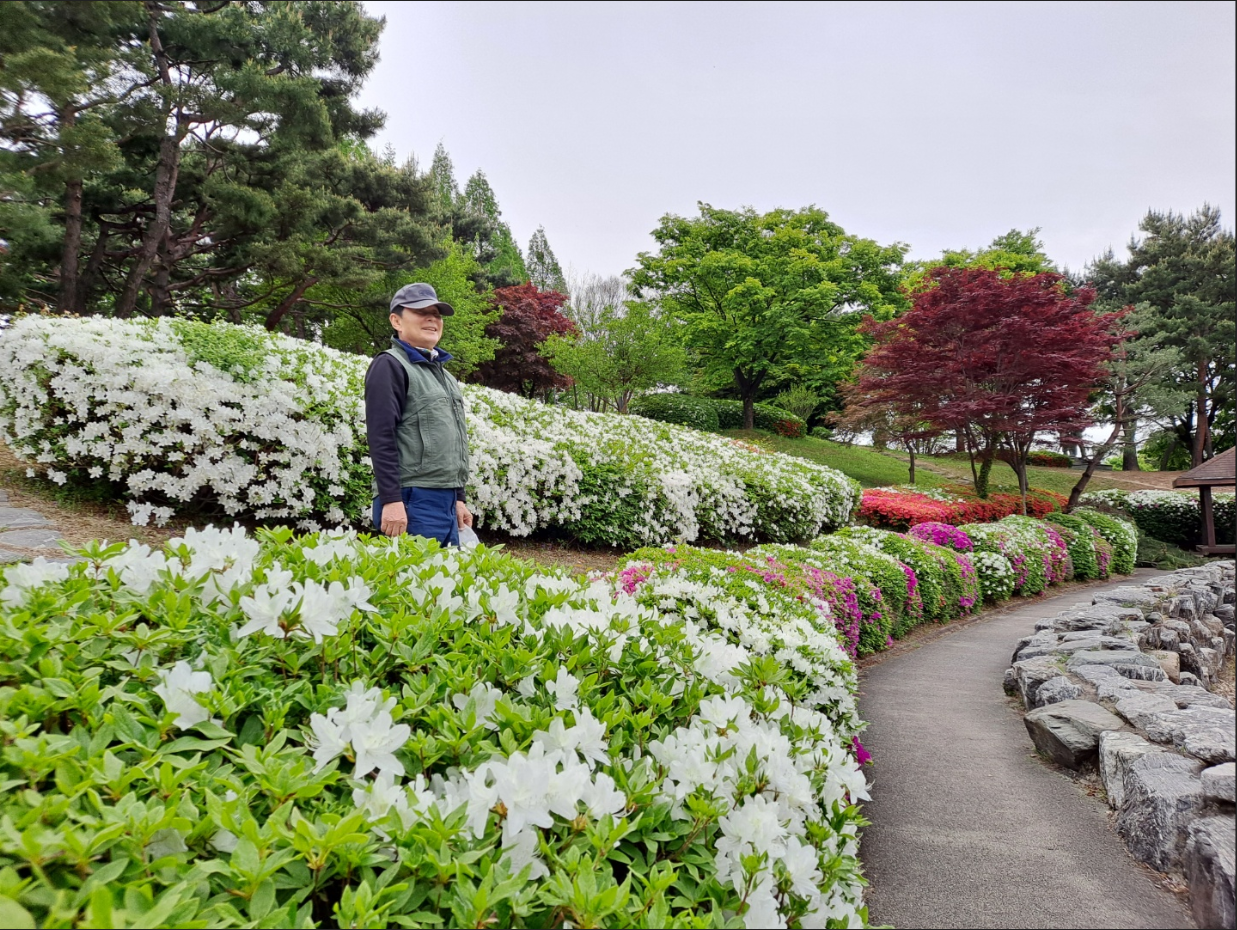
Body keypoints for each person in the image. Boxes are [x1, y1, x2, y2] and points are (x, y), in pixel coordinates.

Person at [365, 282, 473, 544]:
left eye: (436, 314)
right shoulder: (389, 365)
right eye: (421, 312)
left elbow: (451, 443)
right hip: (411, 499)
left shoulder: (445, 376)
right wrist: (391, 500)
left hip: (445, 500)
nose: (432, 319)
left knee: (446, 571)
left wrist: (458, 498)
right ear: (396, 321)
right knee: (414, 571)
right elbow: (381, 436)